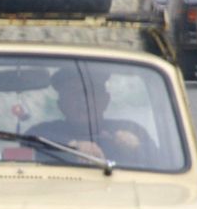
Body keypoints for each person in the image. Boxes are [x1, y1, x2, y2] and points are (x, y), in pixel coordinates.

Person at [25, 66, 154, 164]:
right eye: (73, 92)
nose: (83, 100)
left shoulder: (132, 129)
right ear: (61, 105)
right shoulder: (42, 132)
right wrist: (72, 146)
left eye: (90, 92)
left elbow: (162, 159)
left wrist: (136, 148)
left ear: (106, 100)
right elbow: (30, 142)